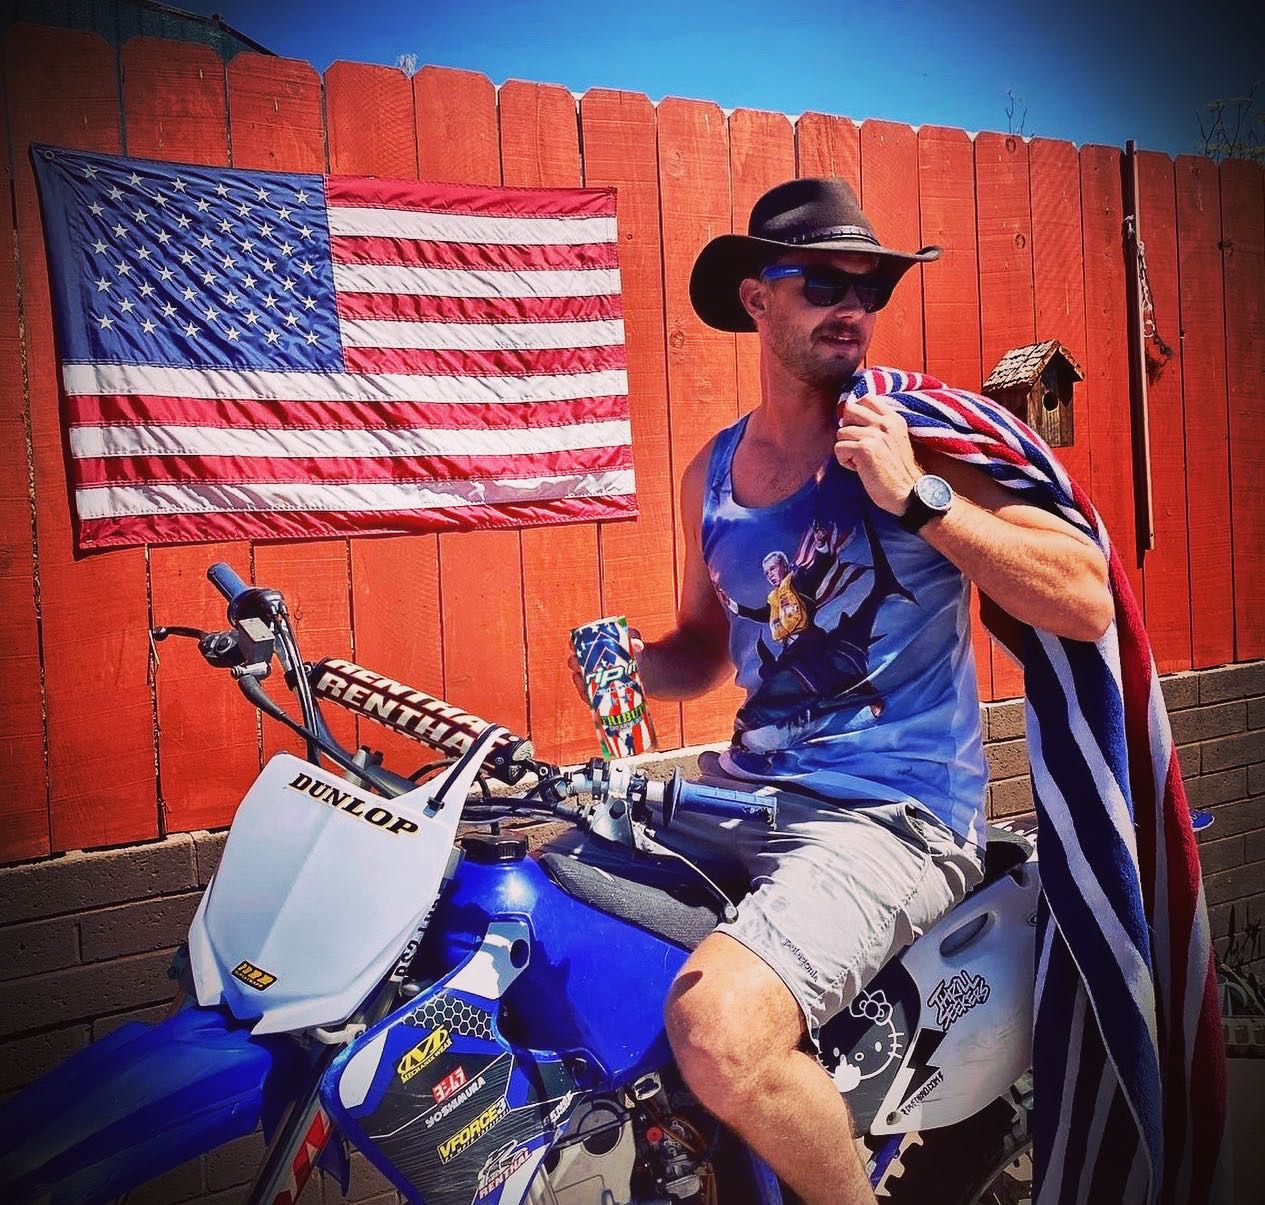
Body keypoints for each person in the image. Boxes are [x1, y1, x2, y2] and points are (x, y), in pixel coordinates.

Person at [570, 177, 1112, 1205]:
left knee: (719, 1029)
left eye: (870, 284)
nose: (850, 304)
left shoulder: (921, 432)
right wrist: (629, 664)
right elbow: (702, 645)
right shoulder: (715, 472)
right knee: (540, 903)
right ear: (754, 298)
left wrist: (918, 495)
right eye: (820, 279)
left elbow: (1084, 596)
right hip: (739, 792)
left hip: (890, 813)